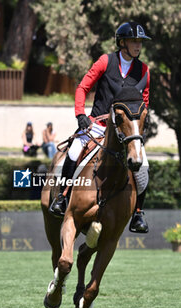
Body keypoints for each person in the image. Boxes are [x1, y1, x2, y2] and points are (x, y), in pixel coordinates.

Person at [49, 21, 151, 233]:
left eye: (140, 42)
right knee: (75, 150)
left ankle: (138, 214)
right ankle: (62, 196)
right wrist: (80, 114)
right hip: (98, 125)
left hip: (124, 132)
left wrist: (137, 126)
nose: (138, 45)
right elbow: (82, 88)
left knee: (143, 165)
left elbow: (144, 102)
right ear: (122, 42)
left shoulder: (144, 71)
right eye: (134, 41)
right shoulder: (106, 61)